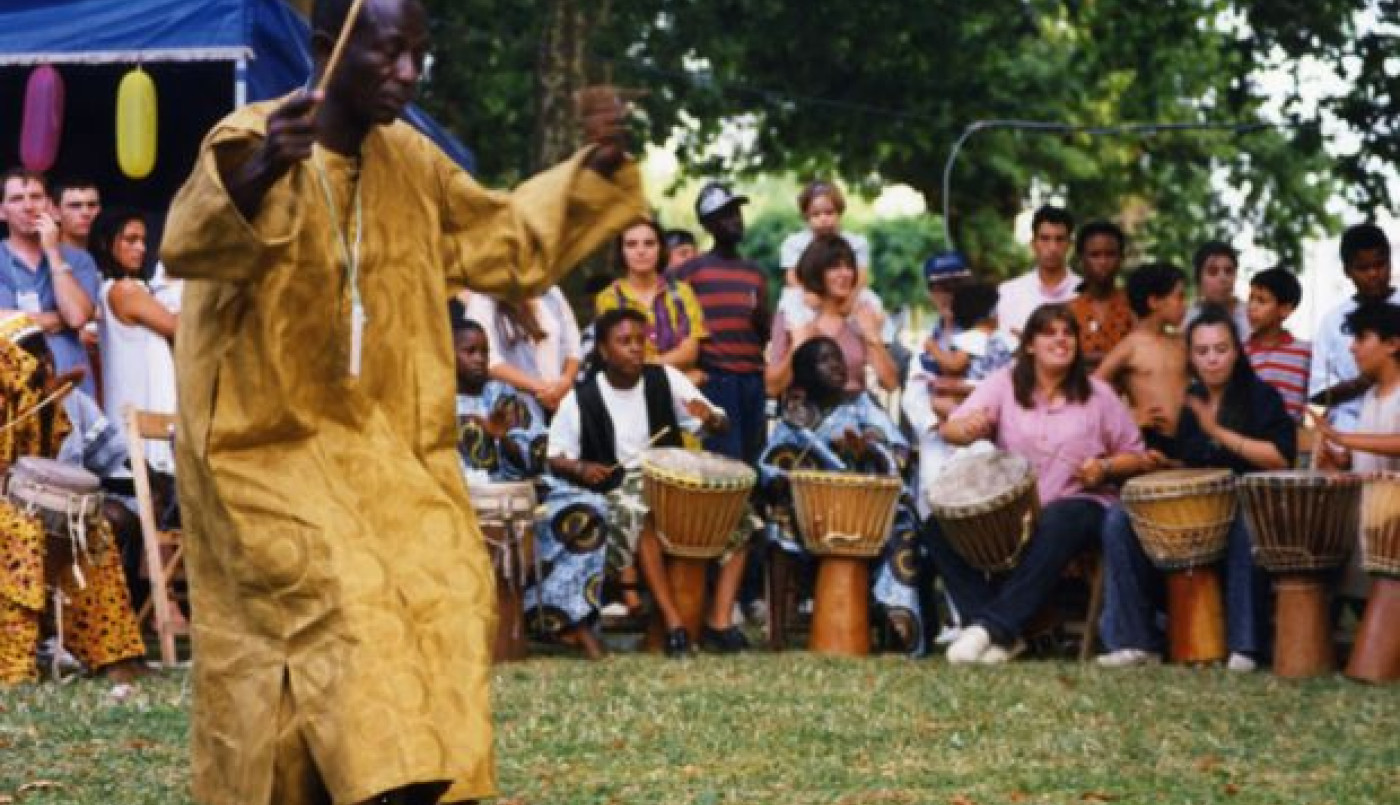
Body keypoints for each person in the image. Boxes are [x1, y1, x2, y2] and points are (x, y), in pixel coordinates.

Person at [159, 0, 644, 801]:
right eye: (388, 55)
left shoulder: (414, 164)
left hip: (381, 449)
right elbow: (190, 242)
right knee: (344, 596)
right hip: (261, 450)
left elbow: (510, 242)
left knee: (447, 579)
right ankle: (386, 784)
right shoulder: (252, 134)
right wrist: (265, 169)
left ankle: (426, 782)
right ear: (328, 48)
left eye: (418, 56)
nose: (408, 75)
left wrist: (595, 173)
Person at [933, 304, 1156, 664]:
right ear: (1030, 345)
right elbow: (953, 428)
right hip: (1018, 511)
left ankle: (990, 629)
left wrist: (1104, 466)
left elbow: (1136, 456)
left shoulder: (1098, 394)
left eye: (1068, 333)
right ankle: (1003, 632)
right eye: (1050, 332)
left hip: (1082, 505)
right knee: (938, 526)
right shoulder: (1005, 383)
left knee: (1060, 517)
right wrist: (967, 428)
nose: (1061, 339)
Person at [1097, 305, 1292, 671]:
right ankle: (1136, 640)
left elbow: (1281, 457)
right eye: (1202, 352)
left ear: (1236, 351)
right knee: (1120, 518)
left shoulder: (1261, 396)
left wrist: (1220, 434)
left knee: (1243, 518)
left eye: (1220, 349)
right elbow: (1192, 461)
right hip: (1198, 508)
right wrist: (1166, 463)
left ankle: (1245, 646)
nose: (1212, 360)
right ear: (1192, 356)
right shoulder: (1195, 400)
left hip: (1246, 499)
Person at [536, 308, 734, 658]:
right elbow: (554, 455)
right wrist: (582, 468)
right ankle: (675, 625)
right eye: (624, 341)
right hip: (618, 490)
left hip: (671, 479)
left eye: (639, 341)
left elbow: (715, 419)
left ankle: (719, 621)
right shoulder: (581, 398)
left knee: (741, 516)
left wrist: (712, 420)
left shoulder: (665, 379)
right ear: (603, 350)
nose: (634, 349)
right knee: (641, 514)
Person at [0, 315, 148, 686]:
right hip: (12, 519)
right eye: (31, 355)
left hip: (21, 507)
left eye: (44, 353)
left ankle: (114, 657)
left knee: (92, 531)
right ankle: (13, 665)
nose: (44, 363)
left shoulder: (51, 402)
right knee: (22, 534)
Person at [760, 336, 926, 653]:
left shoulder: (863, 405)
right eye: (824, 360)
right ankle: (778, 634)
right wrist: (791, 479)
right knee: (778, 521)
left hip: (868, 514)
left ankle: (896, 625)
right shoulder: (795, 417)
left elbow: (900, 452)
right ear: (804, 374)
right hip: (812, 519)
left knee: (903, 524)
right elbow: (771, 465)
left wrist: (869, 451)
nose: (836, 365)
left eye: (838, 357)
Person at [669, 182, 770, 465]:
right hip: (716, 380)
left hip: (752, 379)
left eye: (737, 213)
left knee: (753, 461)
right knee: (724, 462)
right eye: (725, 216)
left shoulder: (755, 273)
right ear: (708, 225)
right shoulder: (690, 271)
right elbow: (677, 326)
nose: (735, 221)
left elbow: (763, 330)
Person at [1312, 302, 1400, 599]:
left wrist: (1343, 438)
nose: (1352, 348)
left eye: (1361, 338)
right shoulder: (1372, 395)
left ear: (1392, 344)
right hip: (1371, 531)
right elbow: (1370, 455)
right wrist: (1340, 459)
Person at [91, 208, 178, 474]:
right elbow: (178, 327)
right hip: (140, 403)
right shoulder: (125, 290)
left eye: (143, 240)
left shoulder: (118, 288)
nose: (140, 248)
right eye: (130, 240)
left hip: (134, 400)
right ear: (107, 243)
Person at [0, 168, 101, 395]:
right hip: (14, 395)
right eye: (17, 199)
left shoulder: (79, 260)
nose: (28, 206)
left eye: (36, 197)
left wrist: (53, 253)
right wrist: (57, 318)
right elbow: (2, 325)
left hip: (73, 388)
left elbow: (75, 317)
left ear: (49, 206)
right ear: (2, 212)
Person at [766, 234, 897, 396]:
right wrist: (798, 347)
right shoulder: (792, 315)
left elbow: (890, 384)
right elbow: (772, 388)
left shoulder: (861, 315)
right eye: (835, 267)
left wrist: (873, 338)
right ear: (816, 271)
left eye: (849, 266)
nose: (845, 274)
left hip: (856, 412)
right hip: (809, 415)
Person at [1309, 223, 1400, 429]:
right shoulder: (1333, 322)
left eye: (1380, 264)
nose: (1373, 274)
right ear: (1347, 270)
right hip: (1349, 426)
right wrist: (1363, 382)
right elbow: (1319, 392)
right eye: (1363, 268)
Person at [595, 218, 708, 382]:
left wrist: (643, 363)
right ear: (621, 251)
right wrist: (681, 374)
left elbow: (689, 355)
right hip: (632, 394)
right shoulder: (608, 298)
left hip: (679, 399)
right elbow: (618, 360)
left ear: (661, 248)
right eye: (631, 244)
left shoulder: (682, 293)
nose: (641, 251)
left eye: (649, 243)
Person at [1095, 262, 1190, 454]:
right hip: (1152, 440)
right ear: (1154, 302)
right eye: (1179, 297)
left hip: (1188, 437)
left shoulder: (1180, 343)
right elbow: (1092, 388)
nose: (1185, 304)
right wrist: (1128, 415)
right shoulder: (1130, 347)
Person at [775, 181, 887, 338]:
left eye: (829, 213)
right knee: (791, 301)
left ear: (839, 213)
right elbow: (791, 275)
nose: (823, 219)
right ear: (806, 216)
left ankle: (880, 341)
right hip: (809, 293)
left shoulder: (856, 242)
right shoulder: (794, 243)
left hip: (846, 293)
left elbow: (861, 275)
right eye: (816, 214)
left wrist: (850, 299)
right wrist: (807, 293)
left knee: (872, 304)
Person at [451, 306, 547, 484]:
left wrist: (503, 439)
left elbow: (535, 460)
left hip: (514, 491)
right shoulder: (438, 402)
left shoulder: (502, 396)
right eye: (470, 351)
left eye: (485, 352)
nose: (480, 359)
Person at [465, 285, 582, 413]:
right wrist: (540, 389)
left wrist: (566, 380)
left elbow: (573, 342)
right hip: (518, 408)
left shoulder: (551, 290)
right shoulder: (482, 300)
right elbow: (488, 359)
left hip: (564, 398)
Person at [996, 205, 1079, 338]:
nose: (1052, 247)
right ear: (1033, 244)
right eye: (1045, 238)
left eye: (1059, 239)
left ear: (1069, 244)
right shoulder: (1009, 293)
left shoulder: (1085, 291)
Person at [1244, 267, 1311, 422]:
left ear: (1285, 310)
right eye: (1251, 298)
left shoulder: (1304, 353)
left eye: (1261, 301)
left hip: (1287, 441)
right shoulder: (1239, 352)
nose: (1252, 307)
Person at [1067, 219, 1133, 371]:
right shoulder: (1067, 311)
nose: (1103, 262)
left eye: (1110, 254)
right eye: (1094, 255)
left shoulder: (1136, 307)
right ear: (1080, 259)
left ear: (1121, 258)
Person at [1186, 240, 1250, 336]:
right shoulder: (1187, 320)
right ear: (1199, 280)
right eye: (1213, 272)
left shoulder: (1251, 317)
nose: (1223, 278)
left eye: (1229, 271)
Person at [52, 179, 102, 253]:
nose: (86, 213)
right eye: (75, 206)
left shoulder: (108, 258)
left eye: (92, 205)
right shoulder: (44, 256)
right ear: (56, 212)